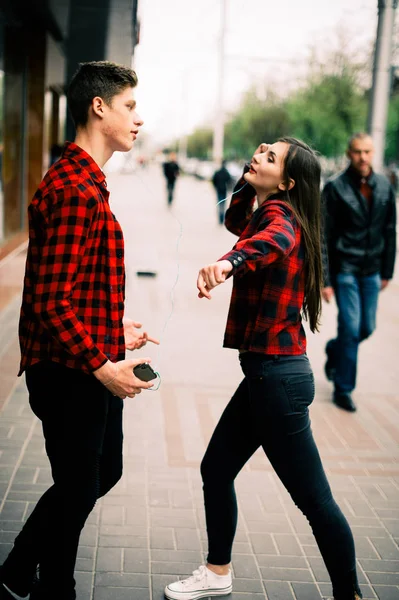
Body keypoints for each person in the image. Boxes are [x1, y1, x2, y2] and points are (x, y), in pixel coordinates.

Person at [165, 138, 363, 600]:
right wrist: (251, 176)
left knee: (315, 501)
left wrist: (228, 262)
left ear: (289, 183)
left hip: (279, 382)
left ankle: (349, 595)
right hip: (265, 376)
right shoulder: (265, 210)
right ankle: (217, 573)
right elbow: (238, 220)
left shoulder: (285, 220)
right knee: (216, 469)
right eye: (260, 150)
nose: (258, 157)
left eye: (270, 158)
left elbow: (268, 243)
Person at [0, 61, 160, 600]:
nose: (138, 119)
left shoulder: (89, 181)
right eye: (130, 106)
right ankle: (48, 583)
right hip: (69, 369)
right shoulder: (73, 189)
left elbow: (69, 285)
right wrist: (103, 365)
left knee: (96, 475)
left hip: (85, 357)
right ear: (99, 107)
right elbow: (47, 300)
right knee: (79, 484)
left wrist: (115, 325)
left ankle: (23, 569)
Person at [322, 133, 396, 412]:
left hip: (373, 269)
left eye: (367, 151)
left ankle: (334, 350)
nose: (363, 157)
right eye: (357, 152)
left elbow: (390, 230)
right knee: (351, 328)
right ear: (348, 153)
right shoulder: (335, 187)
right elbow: (323, 236)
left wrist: (387, 270)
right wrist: (325, 279)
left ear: (373, 153)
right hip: (345, 269)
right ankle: (344, 389)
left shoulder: (384, 186)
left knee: (366, 327)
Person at [212, 160, 232, 225]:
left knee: (220, 203)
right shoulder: (226, 172)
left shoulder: (218, 172)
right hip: (224, 190)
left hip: (219, 190)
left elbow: (214, 180)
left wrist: (216, 187)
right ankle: (222, 218)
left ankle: (220, 218)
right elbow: (229, 181)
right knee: (223, 204)